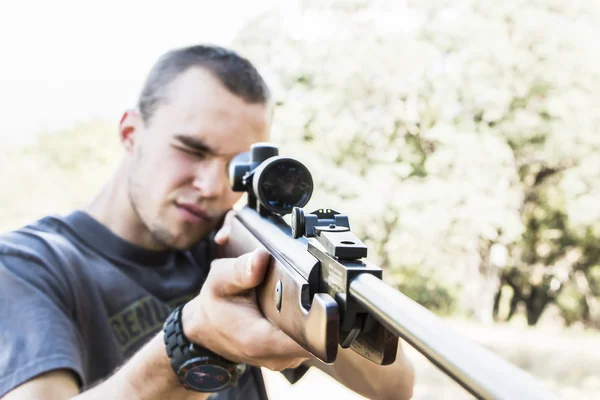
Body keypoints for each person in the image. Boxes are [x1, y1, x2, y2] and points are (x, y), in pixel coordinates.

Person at [0, 44, 414, 400]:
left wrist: (309, 304)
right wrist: (189, 341)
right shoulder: (27, 264)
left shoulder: (236, 252)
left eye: (236, 168)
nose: (213, 185)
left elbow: (394, 386)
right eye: (191, 150)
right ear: (130, 132)